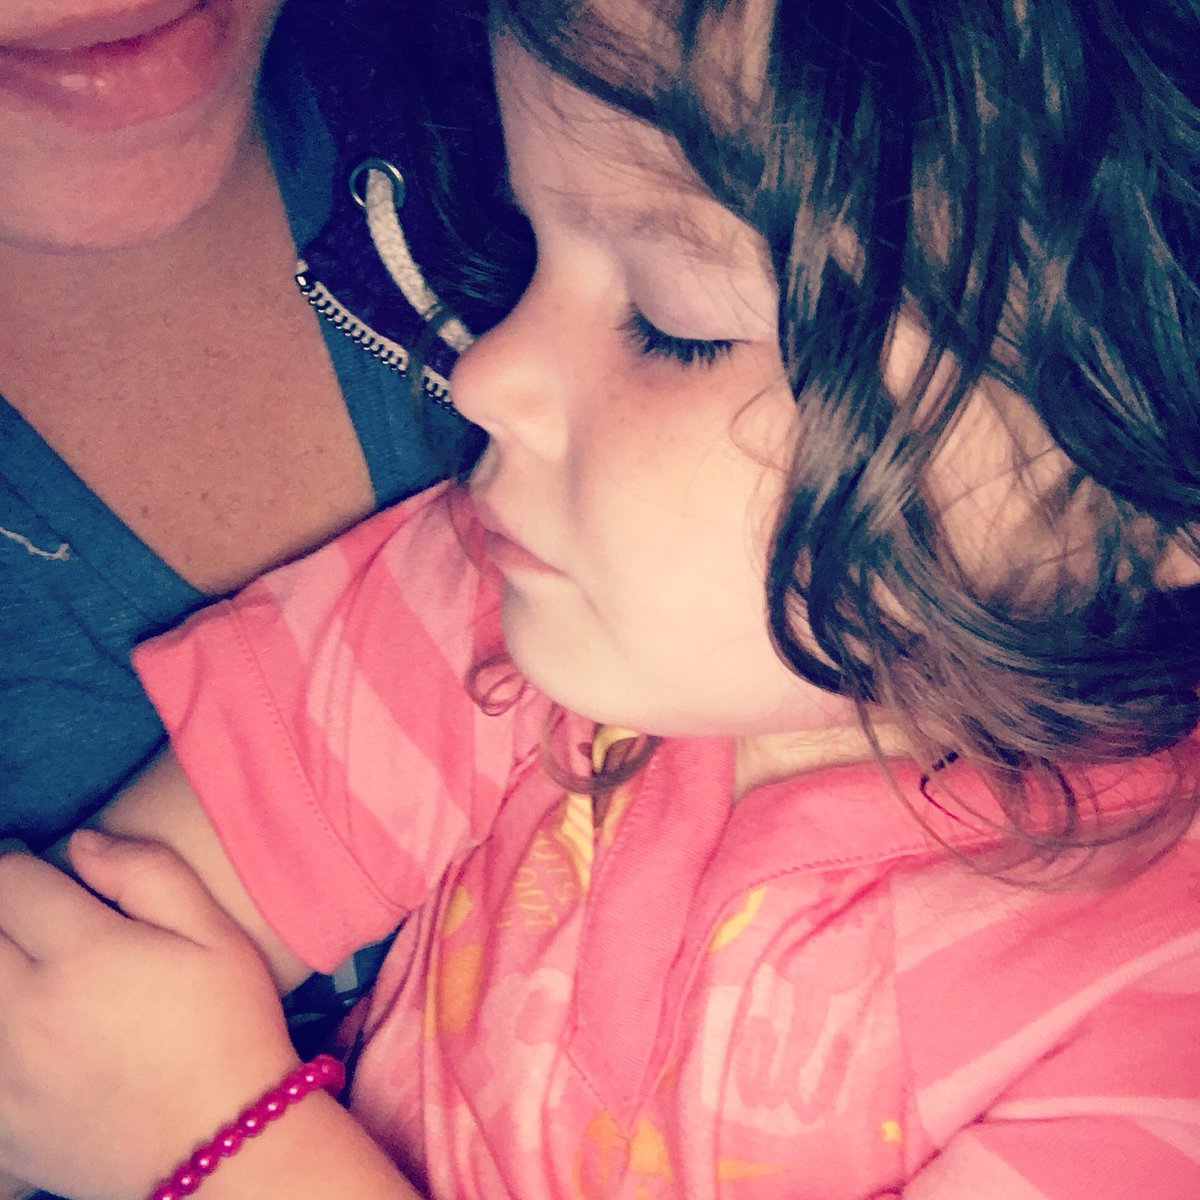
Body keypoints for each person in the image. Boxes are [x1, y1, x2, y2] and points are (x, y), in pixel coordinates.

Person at [1, 0, 1199, 1196]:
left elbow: (123, 1080)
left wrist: (213, 1146)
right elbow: (63, 993)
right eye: (532, 249)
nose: (485, 375)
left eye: (675, 325)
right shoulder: (505, 603)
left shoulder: (1156, 1021)